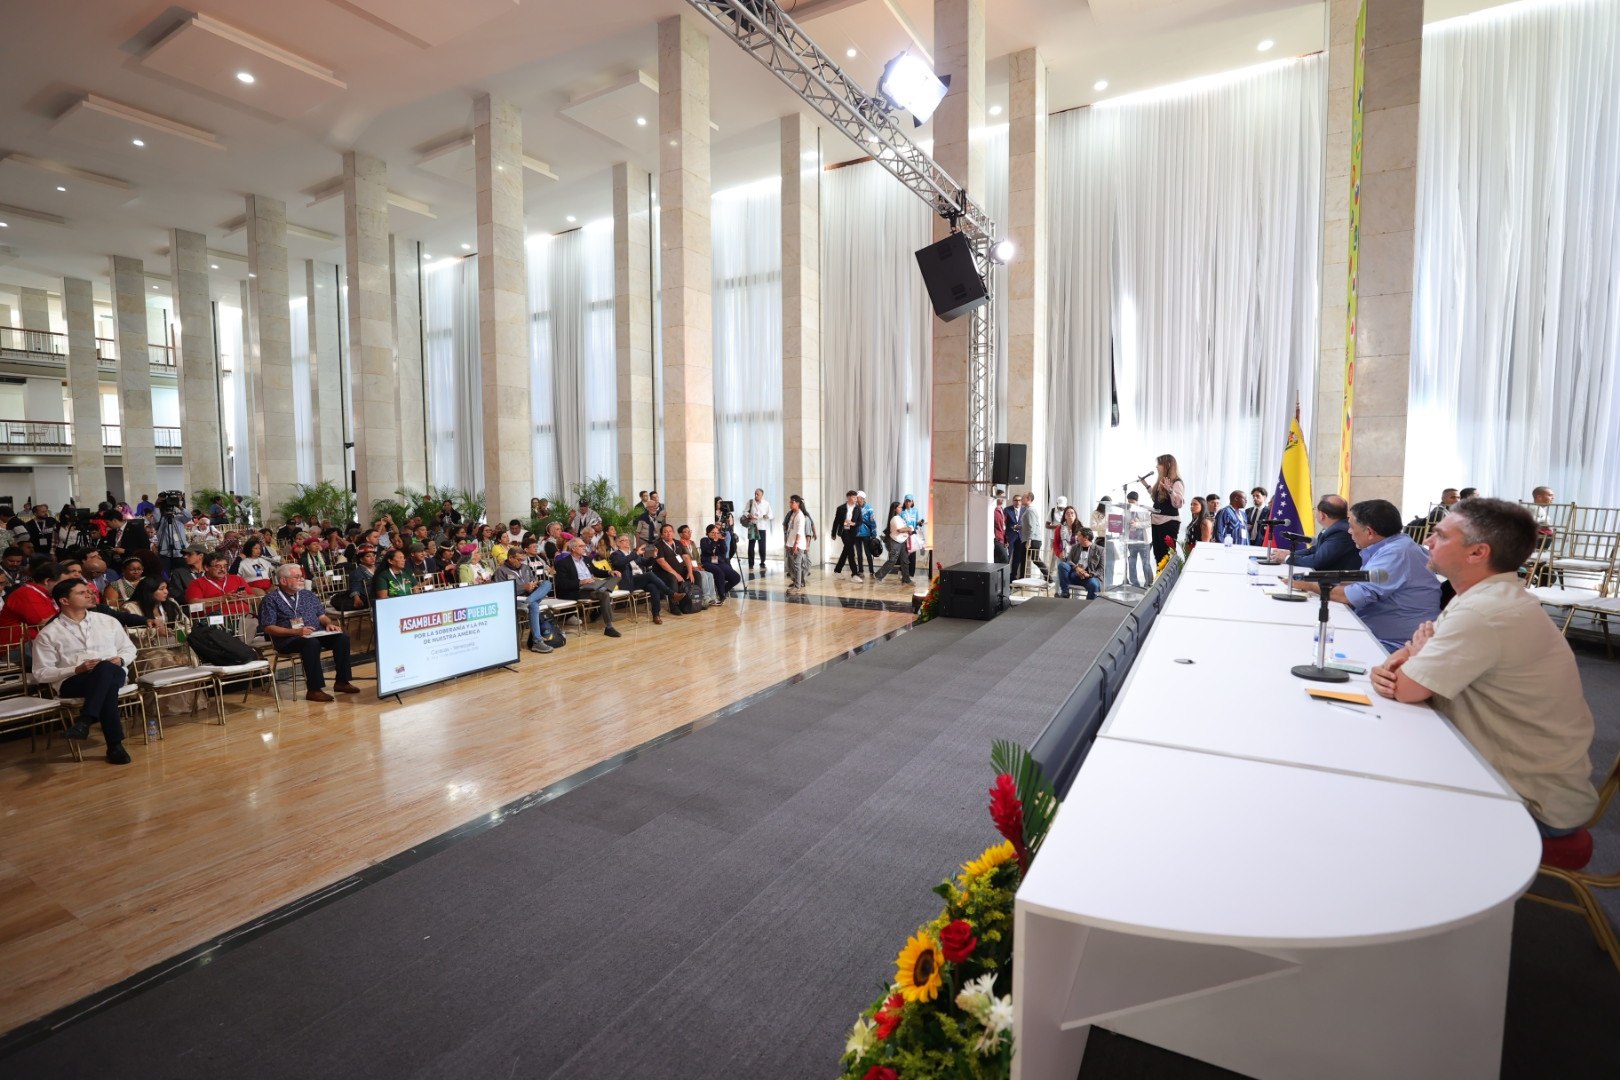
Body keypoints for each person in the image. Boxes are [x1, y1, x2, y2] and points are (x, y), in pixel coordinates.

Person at [1371, 498, 1599, 837]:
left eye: (1441, 536)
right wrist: (1414, 656)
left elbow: (1405, 688)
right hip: (1502, 772)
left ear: (1477, 552)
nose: (1428, 542)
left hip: (1526, 800)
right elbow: (1403, 662)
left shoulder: (1483, 611)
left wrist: (1415, 658)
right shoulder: (1482, 596)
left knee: (1373, 801)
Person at [1291, 498, 1441, 651]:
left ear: (1369, 532)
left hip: (1394, 645)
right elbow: (1361, 583)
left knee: (1306, 645)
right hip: (1382, 634)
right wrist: (1316, 580)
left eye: (1351, 527)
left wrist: (1308, 585)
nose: (1349, 531)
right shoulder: (1394, 545)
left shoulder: (1396, 553)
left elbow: (1352, 596)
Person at [34, 578, 138, 764]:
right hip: (74, 681)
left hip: (114, 672)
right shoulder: (49, 633)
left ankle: (85, 721)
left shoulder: (108, 621)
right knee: (106, 682)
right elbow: (41, 673)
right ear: (64, 601)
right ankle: (114, 745)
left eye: (89, 591)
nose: (90, 594)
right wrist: (76, 669)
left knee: (105, 669)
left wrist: (121, 659)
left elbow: (129, 649)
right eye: (82, 593)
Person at [259, 564, 359, 702]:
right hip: (288, 639)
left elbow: (322, 616)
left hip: (315, 634)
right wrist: (296, 631)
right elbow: (268, 627)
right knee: (311, 644)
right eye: (297, 577)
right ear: (283, 581)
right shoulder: (271, 599)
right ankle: (314, 689)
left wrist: (329, 624)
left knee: (342, 637)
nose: (301, 579)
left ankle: (342, 681)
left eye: (302, 576)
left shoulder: (308, 594)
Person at [124, 577, 203, 716]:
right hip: (146, 650)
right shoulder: (131, 607)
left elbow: (186, 624)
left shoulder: (171, 603)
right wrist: (154, 632)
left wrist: (176, 632)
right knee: (165, 660)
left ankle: (192, 704)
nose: (166, 592)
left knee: (188, 657)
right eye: (161, 589)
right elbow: (129, 633)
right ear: (149, 592)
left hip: (173, 644)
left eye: (166, 588)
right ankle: (164, 708)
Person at [1266, 495, 1361, 572]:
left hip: (1335, 583)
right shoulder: (1334, 527)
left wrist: (1287, 558)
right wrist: (1290, 553)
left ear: (1322, 515)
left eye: (1316, 509)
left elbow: (1318, 560)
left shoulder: (1340, 532)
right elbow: (1314, 550)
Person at [492, 546, 556, 654]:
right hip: (515, 600)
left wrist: (534, 584)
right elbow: (502, 591)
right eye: (519, 559)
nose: (521, 562)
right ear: (511, 558)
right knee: (534, 605)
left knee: (547, 583)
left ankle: (529, 601)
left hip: (530, 596)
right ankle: (537, 642)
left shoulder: (525, 568)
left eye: (522, 559)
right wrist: (523, 587)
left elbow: (532, 580)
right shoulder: (501, 571)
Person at [553, 538, 621, 637]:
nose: (584, 548)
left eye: (584, 546)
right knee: (604, 594)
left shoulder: (586, 559)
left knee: (615, 578)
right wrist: (580, 582)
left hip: (592, 586)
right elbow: (562, 583)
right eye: (581, 546)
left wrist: (610, 572)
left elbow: (597, 571)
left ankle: (602, 587)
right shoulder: (563, 563)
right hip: (579, 590)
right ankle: (609, 627)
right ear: (573, 548)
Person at [611, 534, 671, 625]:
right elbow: (620, 563)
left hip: (639, 580)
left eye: (628, 540)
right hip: (628, 582)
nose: (628, 542)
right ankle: (671, 593)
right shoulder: (616, 554)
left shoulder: (633, 554)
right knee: (650, 575)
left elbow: (646, 563)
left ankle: (656, 615)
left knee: (653, 587)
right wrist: (636, 554)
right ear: (618, 543)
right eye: (624, 540)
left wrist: (653, 556)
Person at [0, 560, 64, 644]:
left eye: (2, 584)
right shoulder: (27, 594)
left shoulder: (45, 593)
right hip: (17, 648)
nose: (66, 586)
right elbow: (48, 626)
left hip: (35, 642)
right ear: (47, 581)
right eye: (63, 583)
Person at [185, 552, 254, 616]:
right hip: (214, 623)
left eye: (225, 566)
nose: (223, 569)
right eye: (218, 566)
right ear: (206, 567)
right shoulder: (197, 583)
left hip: (244, 618)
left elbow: (255, 600)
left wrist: (246, 597)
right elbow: (193, 605)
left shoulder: (237, 579)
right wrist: (222, 599)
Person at [1149, 454, 1185, 561]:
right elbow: (1157, 501)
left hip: (1168, 523)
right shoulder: (1161, 481)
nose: (1156, 467)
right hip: (1156, 522)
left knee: (1167, 555)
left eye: (1159, 464)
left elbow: (1178, 504)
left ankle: (1167, 578)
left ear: (1168, 465)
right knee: (1158, 555)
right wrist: (1146, 485)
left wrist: (1170, 490)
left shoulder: (1177, 482)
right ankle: (1159, 577)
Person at [651, 523, 693, 612]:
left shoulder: (678, 543)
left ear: (673, 533)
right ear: (662, 535)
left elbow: (686, 557)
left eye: (670, 531)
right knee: (672, 578)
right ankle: (673, 606)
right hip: (663, 572)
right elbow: (662, 562)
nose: (668, 533)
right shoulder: (658, 545)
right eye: (665, 532)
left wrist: (690, 572)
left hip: (679, 571)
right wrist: (676, 574)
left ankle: (694, 601)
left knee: (696, 575)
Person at [677, 524, 719, 605]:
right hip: (687, 568)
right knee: (703, 576)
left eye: (690, 531)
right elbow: (682, 560)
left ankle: (713, 597)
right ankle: (706, 597)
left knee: (709, 574)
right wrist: (692, 568)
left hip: (696, 566)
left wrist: (699, 566)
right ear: (681, 534)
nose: (689, 533)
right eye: (687, 532)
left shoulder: (692, 543)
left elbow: (696, 557)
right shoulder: (679, 544)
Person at [1057, 529, 1105, 600]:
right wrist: (1076, 568)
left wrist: (1089, 575)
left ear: (1086, 538)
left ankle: (1089, 606)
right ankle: (1065, 593)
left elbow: (1101, 569)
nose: (1076, 537)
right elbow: (1069, 560)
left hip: (1090, 577)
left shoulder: (1100, 550)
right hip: (1075, 575)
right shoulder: (1075, 547)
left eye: (1079, 535)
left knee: (1094, 585)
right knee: (1062, 565)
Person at [874, 500, 913, 585]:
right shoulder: (895, 519)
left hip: (903, 541)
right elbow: (900, 530)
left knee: (905, 561)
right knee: (892, 560)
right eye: (899, 507)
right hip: (896, 541)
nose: (901, 508)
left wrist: (907, 529)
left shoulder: (900, 518)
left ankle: (906, 579)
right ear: (895, 509)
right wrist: (909, 529)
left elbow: (903, 528)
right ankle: (878, 575)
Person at [700, 524, 741, 602]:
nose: (715, 534)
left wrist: (722, 540)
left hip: (719, 562)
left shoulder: (720, 540)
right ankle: (722, 595)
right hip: (707, 563)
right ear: (707, 533)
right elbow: (707, 551)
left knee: (736, 577)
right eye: (713, 533)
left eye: (716, 532)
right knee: (719, 572)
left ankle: (721, 591)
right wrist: (714, 542)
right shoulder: (704, 540)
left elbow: (723, 552)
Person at [783, 495, 814, 594]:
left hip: (798, 545)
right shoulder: (793, 514)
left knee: (797, 566)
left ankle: (797, 586)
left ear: (798, 503)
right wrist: (788, 542)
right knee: (793, 566)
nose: (790, 504)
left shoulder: (800, 515)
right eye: (790, 502)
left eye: (792, 502)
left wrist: (796, 544)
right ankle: (797, 583)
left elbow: (800, 532)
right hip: (791, 543)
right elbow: (790, 530)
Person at [832, 491, 863, 580]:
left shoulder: (858, 508)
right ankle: (854, 574)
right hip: (844, 532)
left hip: (853, 532)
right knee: (851, 551)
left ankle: (837, 570)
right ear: (848, 497)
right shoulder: (840, 508)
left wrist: (853, 523)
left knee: (846, 551)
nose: (856, 499)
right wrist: (833, 533)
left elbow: (860, 521)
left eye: (856, 497)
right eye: (854, 497)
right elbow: (836, 522)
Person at [1125, 493, 1154, 586]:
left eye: (1132, 502)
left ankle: (1149, 583)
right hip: (1131, 540)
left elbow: (1150, 522)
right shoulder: (1126, 510)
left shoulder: (1144, 510)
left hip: (1144, 541)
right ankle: (1134, 583)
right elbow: (1123, 523)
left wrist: (1137, 524)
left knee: (1146, 563)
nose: (1130, 504)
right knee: (1131, 563)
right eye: (1129, 502)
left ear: (1137, 501)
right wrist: (1128, 524)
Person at [741, 488, 772, 574]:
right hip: (752, 526)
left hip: (762, 527)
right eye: (755, 494)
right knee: (751, 546)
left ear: (762, 495)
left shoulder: (766, 503)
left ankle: (762, 563)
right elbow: (744, 511)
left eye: (758, 494)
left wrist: (767, 516)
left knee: (762, 547)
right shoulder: (750, 502)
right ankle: (751, 564)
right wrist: (748, 515)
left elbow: (771, 514)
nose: (756, 496)